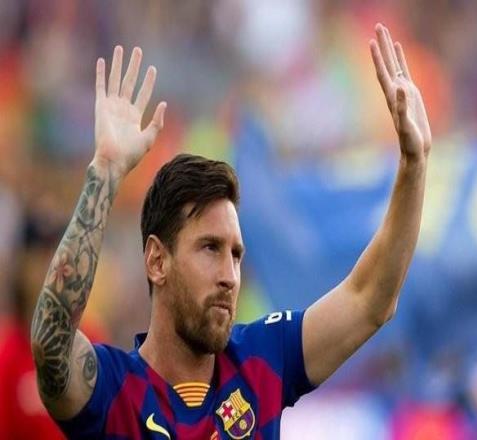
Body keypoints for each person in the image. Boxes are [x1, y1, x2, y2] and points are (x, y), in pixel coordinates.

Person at [31, 23, 431, 439]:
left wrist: (414, 164)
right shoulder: (114, 390)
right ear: (157, 261)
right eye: (210, 248)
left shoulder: (262, 359)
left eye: (236, 255)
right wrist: (106, 171)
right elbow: (51, 343)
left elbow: (369, 299)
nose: (229, 275)